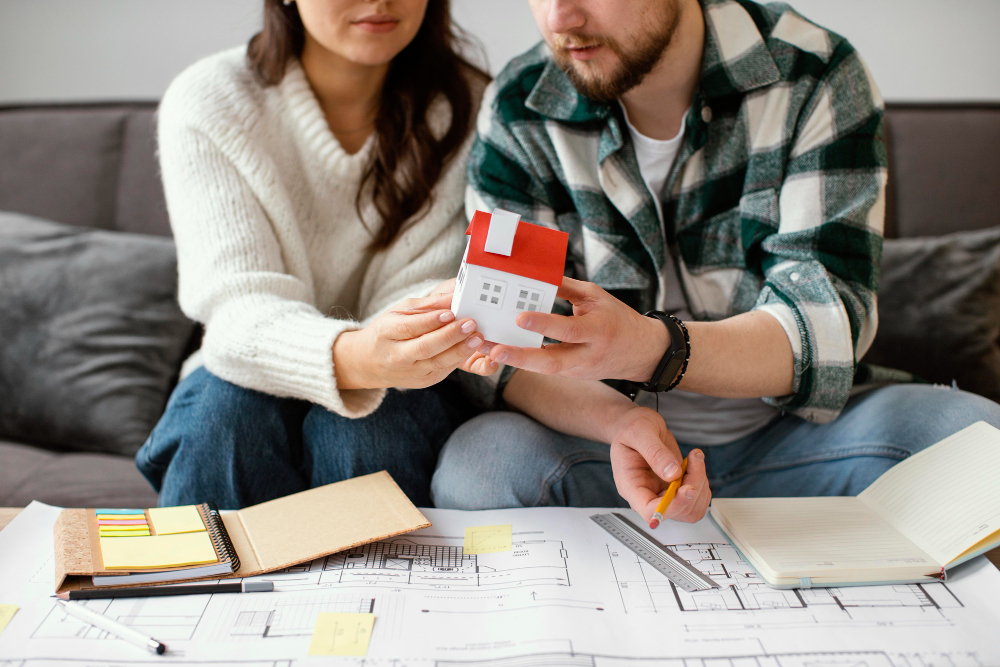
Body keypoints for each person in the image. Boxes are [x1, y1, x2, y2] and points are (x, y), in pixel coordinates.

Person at [431, 0, 1000, 521]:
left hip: (800, 439)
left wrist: (652, 348)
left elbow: (825, 328)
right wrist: (625, 424)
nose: (560, 18)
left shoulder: (814, 72)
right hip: (603, 446)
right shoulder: (521, 103)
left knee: (983, 444)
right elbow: (508, 351)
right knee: (479, 467)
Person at [136, 0, 495, 509]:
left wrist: (382, 361)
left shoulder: (472, 107)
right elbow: (239, 308)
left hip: (409, 380)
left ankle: (382, 591)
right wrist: (358, 356)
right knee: (223, 415)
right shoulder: (210, 100)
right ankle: (202, 585)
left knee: (368, 429)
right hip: (249, 363)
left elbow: (432, 293)